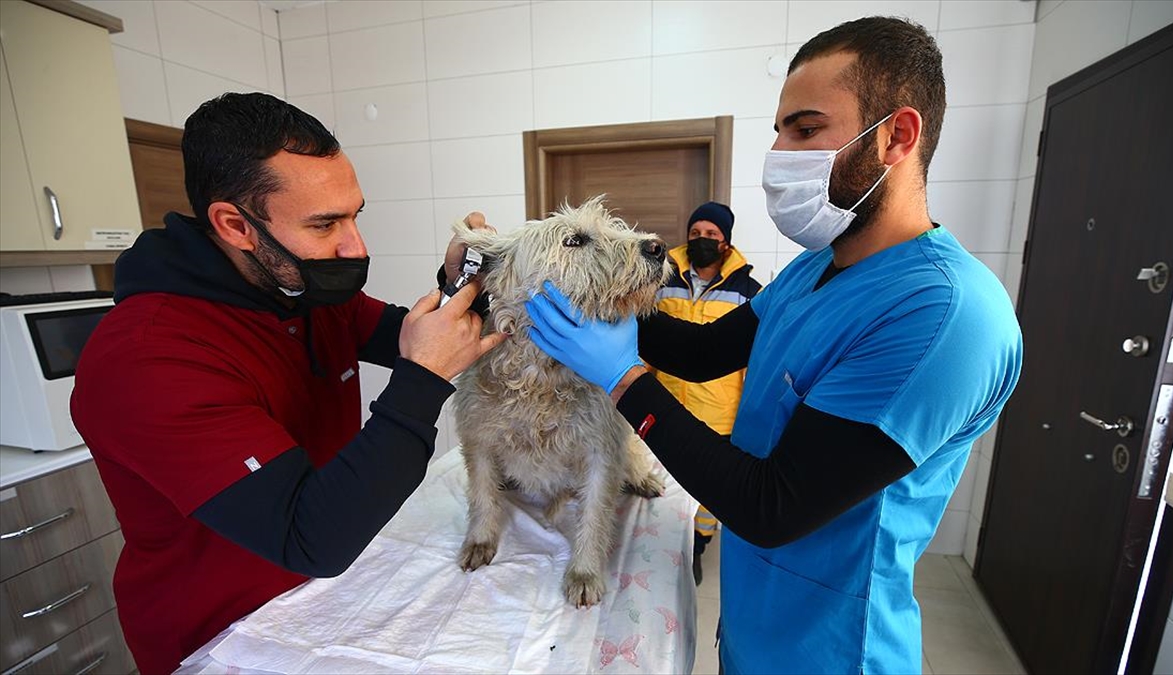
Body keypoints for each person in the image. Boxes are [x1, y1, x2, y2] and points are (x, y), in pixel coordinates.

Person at [524, 17, 1023, 675]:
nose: (781, 153)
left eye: (807, 130)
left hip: (834, 648)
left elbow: (772, 505)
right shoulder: (811, 270)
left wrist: (622, 377)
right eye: (780, 130)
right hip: (754, 625)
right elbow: (705, 352)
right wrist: (596, 301)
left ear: (897, 136)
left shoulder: (945, 314)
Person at [70, 93, 504, 674]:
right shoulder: (147, 357)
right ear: (234, 225)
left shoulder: (304, 290)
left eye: (355, 215)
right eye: (325, 224)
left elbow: (415, 336)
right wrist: (422, 382)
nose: (356, 247)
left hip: (323, 591)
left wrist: (459, 283)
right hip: (221, 634)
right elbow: (311, 537)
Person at [649, 201, 760, 585]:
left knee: (707, 494)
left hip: (717, 413)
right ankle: (652, 546)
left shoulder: (749, 292)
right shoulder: (661, 281)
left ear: (726, 243)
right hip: (661, 404)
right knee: (657, 485)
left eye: (711, 235)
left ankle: (696, 548)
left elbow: (752, 366)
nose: (701, 240)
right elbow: (645, 346)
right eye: (695, 233)